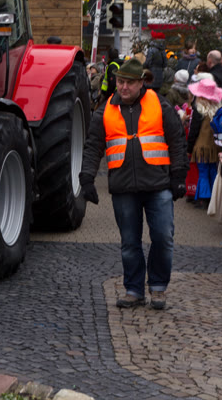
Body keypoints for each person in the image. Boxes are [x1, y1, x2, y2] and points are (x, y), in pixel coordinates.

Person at [79, 58, 187, 310]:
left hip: (158, 184)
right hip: (124, 187)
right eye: (120, 82)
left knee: (163, 237)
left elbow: (177, 140)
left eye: (129, 83)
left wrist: (179, 176)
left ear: (141, 83)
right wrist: (87, 178)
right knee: (129, 243)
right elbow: (93, 146)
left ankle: (158, 287)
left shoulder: (159, 104)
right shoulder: (105, 110)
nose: (123, 87)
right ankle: (134, 290)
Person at [185, 78, 222, 209]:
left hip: (201, 147)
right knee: (213, 170)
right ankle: (214, 198)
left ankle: (203, 198)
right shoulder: (219, 110)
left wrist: (189, 148)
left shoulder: (198, 110)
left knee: (203, 172)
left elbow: (194, 131)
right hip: (215, 146)